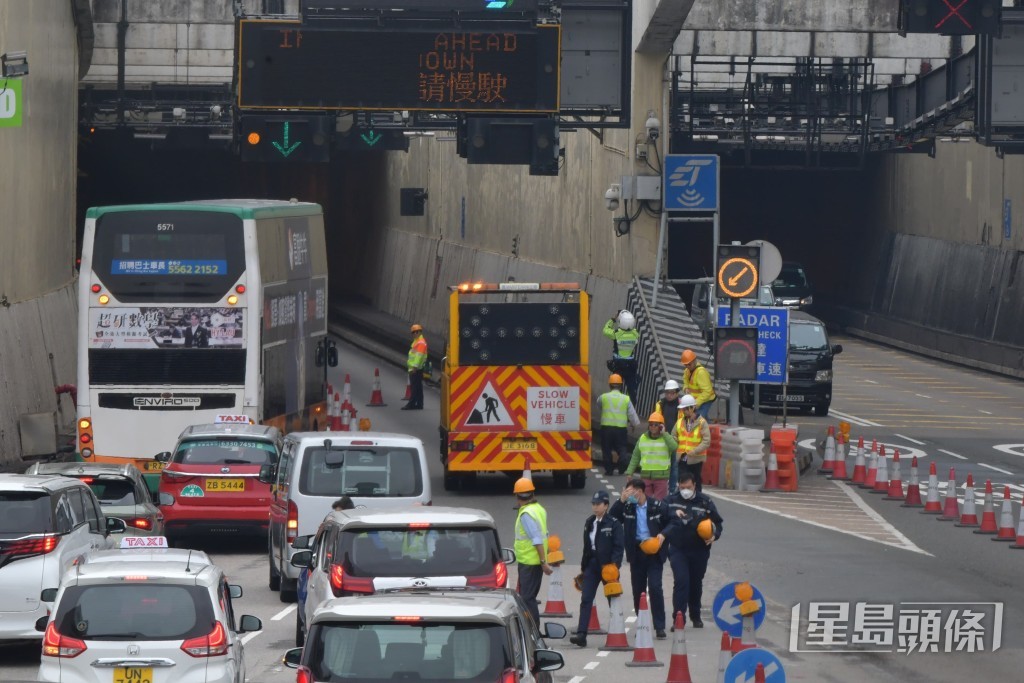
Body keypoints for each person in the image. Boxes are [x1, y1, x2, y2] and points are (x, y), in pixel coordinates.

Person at [609, 479, 669, 639]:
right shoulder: (627, 507)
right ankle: (643, 624)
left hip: (654, 551)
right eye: (626, 492)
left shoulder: (657, 506)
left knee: (655, 587)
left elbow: (672, 522)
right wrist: (621, 500)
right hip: (636, 552)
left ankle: (660, 626)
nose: (628, 495)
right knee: (638, 590)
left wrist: (663, 534)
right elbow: (611, 519)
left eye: (629, 492)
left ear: (639, 491)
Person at [662, 471, 723, 628]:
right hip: (677, 548)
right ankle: (678, 618)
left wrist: (714, 535)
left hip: (699, 549)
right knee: (681, 581)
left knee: (696, 583)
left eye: (688, 487)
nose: (685, 490)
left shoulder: (705, 502)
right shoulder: (671, 500)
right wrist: (671, 512)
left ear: (694, 486)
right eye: (682, 487)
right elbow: (658, 512)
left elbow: (718, 523)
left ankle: (695, 615)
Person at [569, 491, 624, 647]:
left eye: (598, 504)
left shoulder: (614, 523)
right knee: (586, 599)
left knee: (612, 599)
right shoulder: (589, 522)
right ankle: (581, 634)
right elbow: (587, 546)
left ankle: (617, 630)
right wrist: (584, 567)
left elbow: (619, 548)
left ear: (606, 505)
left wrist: (614, 566)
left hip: (608, 567)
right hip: (592, 565)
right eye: (593, 504)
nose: (595, 507)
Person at [512, 477, 552, 625]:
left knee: (527, 598)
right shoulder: (539, 509)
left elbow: (537, 539)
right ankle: (532, 632)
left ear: (517, 496)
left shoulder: (526, 514)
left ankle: (533, 633)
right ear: (532, 494)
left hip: (529, 563)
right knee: (530, 597)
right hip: (534, 562)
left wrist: (543, 562)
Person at [623, 412, 677, 501]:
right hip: (645, 476)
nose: (653, 427)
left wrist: (664, 433)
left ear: (661, 426)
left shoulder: (666, 438)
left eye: (656, 425)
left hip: (661, 477)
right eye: (651, 424)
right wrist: (630, 472)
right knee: (644, 501)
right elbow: (636, 456)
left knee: (660, 503)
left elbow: (674, 447)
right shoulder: (642, 438)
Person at [597, 373, 641, 476]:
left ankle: (609, 470)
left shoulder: (603, 397)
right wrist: (634, 424)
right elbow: (632, 414)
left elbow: (599, 405)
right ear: (621, 385)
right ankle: (622, 465)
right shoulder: (626, 399)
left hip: (606, 428)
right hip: (621, 429)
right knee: (622, 448)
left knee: (606, 449)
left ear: (609, 385)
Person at [674, 394, 711, 492]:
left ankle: (697, 501)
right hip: (682, 458)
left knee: (696, 482)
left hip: (696, 459)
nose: (684, 411)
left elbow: (706, 441)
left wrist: (695, 451)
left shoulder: (702, 422)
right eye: (683, 409)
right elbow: (674, 436)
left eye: (686, 409)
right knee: (682, 481)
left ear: (692, 408)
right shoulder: (680, 422)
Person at [603, 309, 640, 401]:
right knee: (631, 389)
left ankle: (616, 402)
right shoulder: (636, 334)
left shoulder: (616, 334)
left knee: (616, 386)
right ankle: (630, 405)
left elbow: (605, 330)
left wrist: (613, 319)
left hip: (618, 365)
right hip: (631, 365)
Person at [655, 380, 684, 490]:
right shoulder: (660, 404)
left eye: (672, 393)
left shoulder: (681, 405)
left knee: (674, 466)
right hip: (662, 438)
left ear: (677, 393)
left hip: (676, 439)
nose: (669, 395)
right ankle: (660, 487)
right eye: (667, 392)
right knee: (661, 465)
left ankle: (672, 489)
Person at [680, 349, 716, 420]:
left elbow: (707, 392)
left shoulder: (701, 373)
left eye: (689, 364)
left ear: (694, 361)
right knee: (701, 419)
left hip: (706, 400)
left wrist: (696, 403)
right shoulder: (687, 371)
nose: (687, 366)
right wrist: (686, 388)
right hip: (696, 401)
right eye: (685, 365)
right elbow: (685, 382)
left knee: (698, 420)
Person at [403, 323, 428, 410]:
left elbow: (419, 356)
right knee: (418, 387)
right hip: (417, 368)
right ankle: (419, 404)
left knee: (414, 387)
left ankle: (412, 404)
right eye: (413, 332)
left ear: (419, 332)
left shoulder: (420, 343)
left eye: (415, 332)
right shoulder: (417, 341)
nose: (414, 334)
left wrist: (414, 367)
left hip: (416, 368)